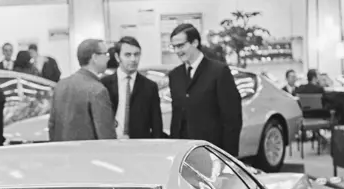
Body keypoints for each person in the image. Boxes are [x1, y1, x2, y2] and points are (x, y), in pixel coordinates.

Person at [167, 24, 243, 156]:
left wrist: (229, 157)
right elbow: (177, 116)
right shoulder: (175, 75)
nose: (177, 51)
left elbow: (232, 118)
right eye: (174, 47)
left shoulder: (219, 72)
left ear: (195, 42)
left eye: (181, 46)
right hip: (183, 153)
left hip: (212, 151)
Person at [48, 38, 116, 142]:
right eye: (105, 54)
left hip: (63, 153)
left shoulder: (61, 85)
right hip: (89, 155)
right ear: (94, 57)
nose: (108, 58)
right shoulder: (98, 90)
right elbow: (106, 136)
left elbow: (52, 126)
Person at [101, 36, 163, 139]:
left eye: (136, 54)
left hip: (140, 145)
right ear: (117, 57)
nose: (133, 59)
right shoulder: (105, 84)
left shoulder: (149, 87)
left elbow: (156, 123)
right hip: (112, 143)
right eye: (128, 55)